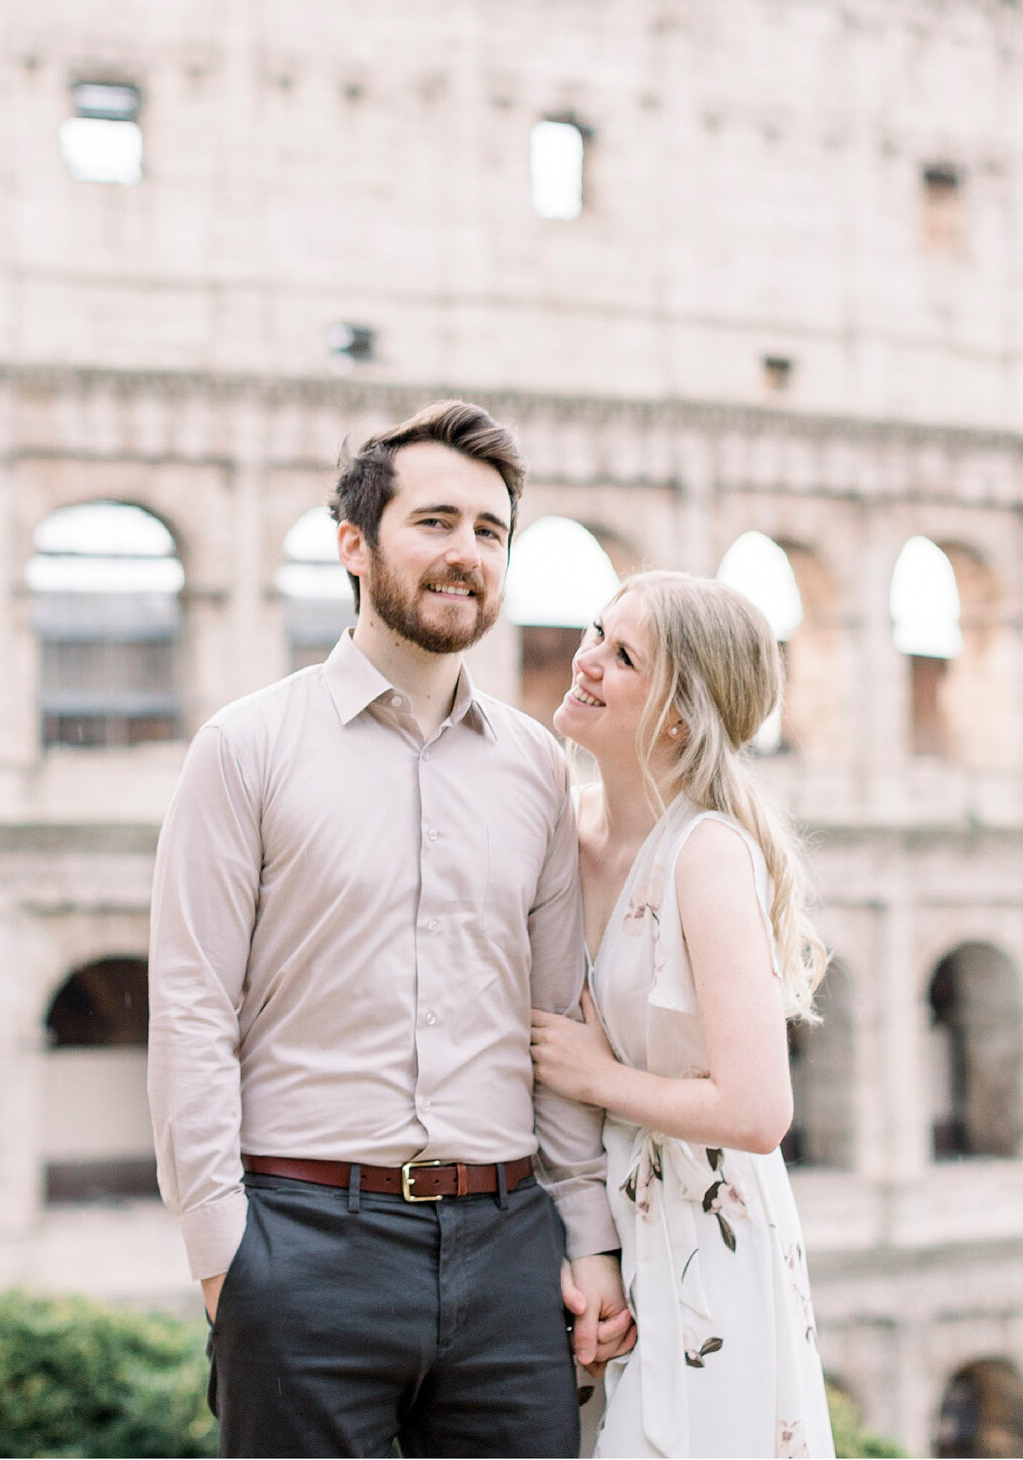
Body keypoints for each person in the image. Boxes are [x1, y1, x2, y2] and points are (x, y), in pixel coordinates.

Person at [149, 400, 635, 1458]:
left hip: (509, 1250)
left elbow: (554, 1019)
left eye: (490, 531)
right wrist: (222, 1254)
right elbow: (190, 1009)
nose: (466, 554)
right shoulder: (245, 749)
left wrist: (588, 1238)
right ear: (353, 545)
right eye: (436, 522)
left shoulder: (537, 767)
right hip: (302, 1239)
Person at [529, 571, 838, 1458]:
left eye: (621, 655)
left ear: (676, 713)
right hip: (594, 1218)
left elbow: (757, 1110)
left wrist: (599, 1076)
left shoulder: (706, 856)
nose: (582, 659)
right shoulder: (560, 825)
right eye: (596, 632)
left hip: (707, 1231)